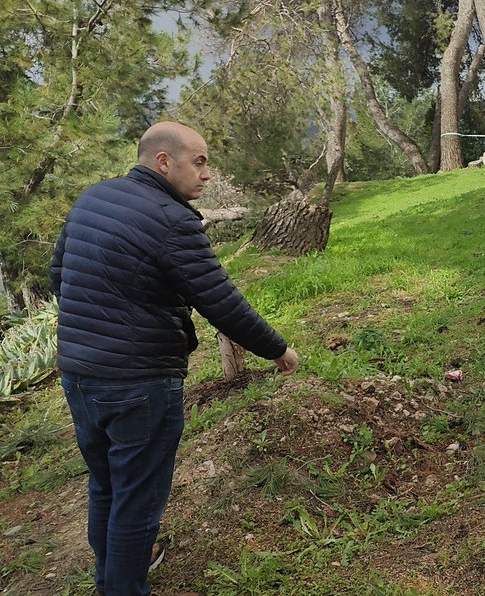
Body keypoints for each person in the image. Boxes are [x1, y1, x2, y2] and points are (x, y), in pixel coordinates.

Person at [50, 122, 299, 596]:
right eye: (199, 161)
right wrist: (278, 349)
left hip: (79, 374)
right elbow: (221, 302)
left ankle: (111, 577)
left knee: (105, 485)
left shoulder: (93, 198)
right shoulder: (172, 220)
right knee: (137, 502)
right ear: (164, 162)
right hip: (139, 384)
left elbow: (59, 275)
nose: (207, 173)